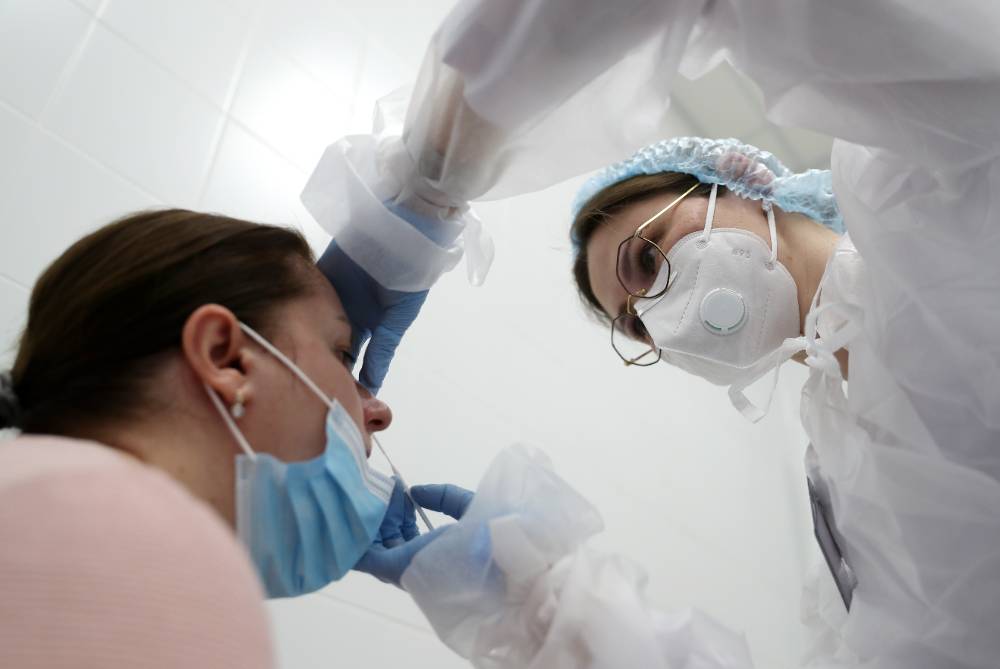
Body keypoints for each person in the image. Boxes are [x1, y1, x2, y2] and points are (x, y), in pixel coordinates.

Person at [302, 0, 1000, 667]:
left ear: (736, 181)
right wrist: (538, 614)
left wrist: (420, 194)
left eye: (645, 256)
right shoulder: (843, 483)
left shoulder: (926, 194)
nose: (659, 314)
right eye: (635, 324)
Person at [0, 209, 467, 667]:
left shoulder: (41, 494)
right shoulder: (146, 556)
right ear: (225, 357)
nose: (379, 412)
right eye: (343, 354)